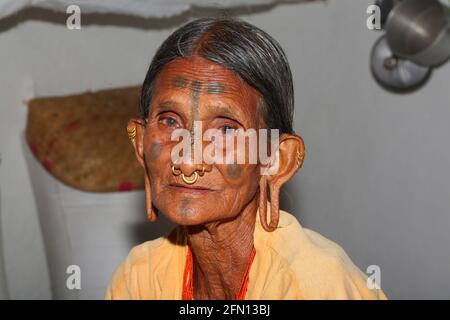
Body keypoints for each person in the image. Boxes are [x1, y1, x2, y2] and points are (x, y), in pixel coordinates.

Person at [105, 17, 387, 300]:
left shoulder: (316, 287)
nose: (188, 162)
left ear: (277, 159)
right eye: (169, 121)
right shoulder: (139, 279)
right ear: (141, 142)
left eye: (226, 129)